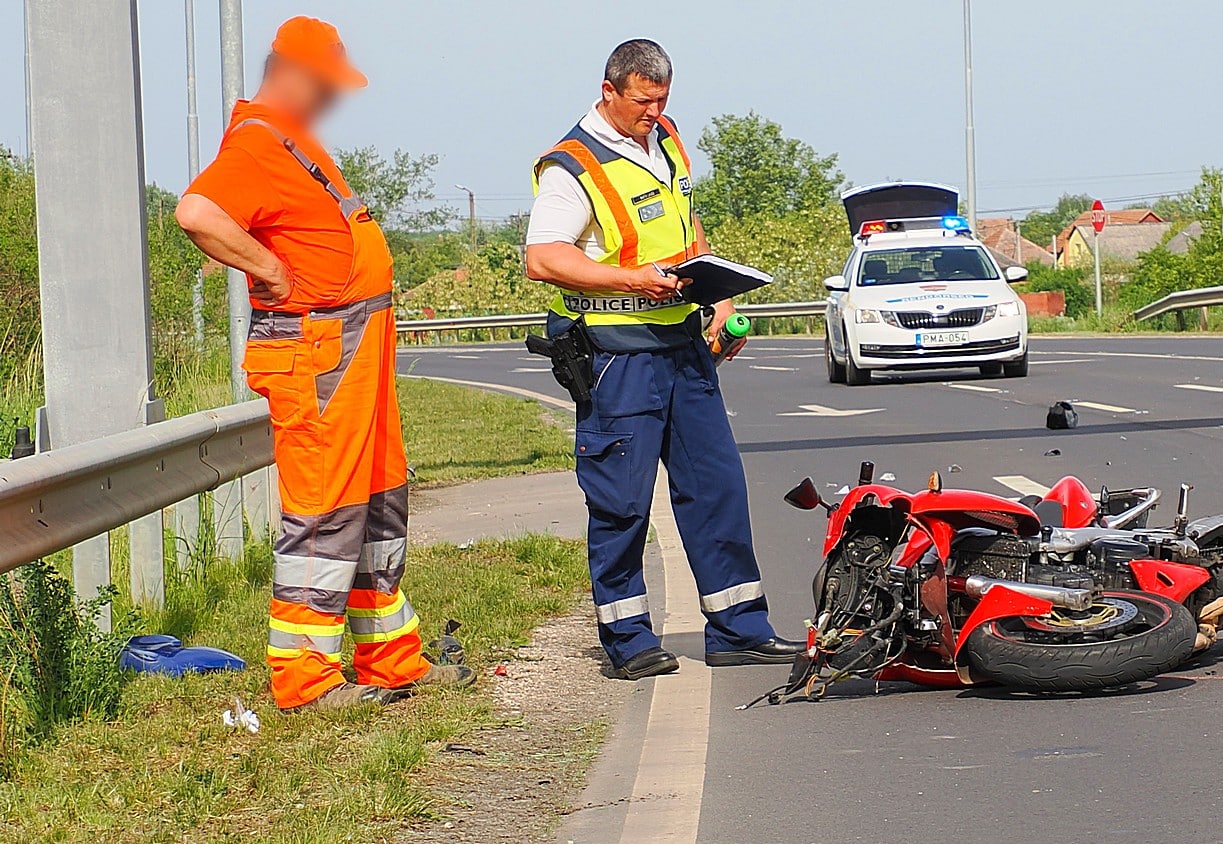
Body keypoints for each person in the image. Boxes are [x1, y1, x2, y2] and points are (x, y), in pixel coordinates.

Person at [176, 16, 473, 712]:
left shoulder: (291, 141)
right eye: (327, 86)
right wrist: (269, 269)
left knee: (376, 506)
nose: (334, 99)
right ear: (293, 76)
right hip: (318, 356)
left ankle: (388, 658)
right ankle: (305, 681)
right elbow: (197, 211)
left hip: (353, 352)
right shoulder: (255, 142)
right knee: (324, 515)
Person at [526, 39, 800, 680]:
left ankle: (739, 629)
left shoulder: (666, 138)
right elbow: (543, 258)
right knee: (622, 501)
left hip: (683, 347)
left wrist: (722, 300)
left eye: (662, 101)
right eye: (642, 102)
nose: (654, 112)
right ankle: (626, 638)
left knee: (717, 489)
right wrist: (631, 280)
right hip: (617, 359)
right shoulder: (572, 166)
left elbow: (686, 230)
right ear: (609, 91)